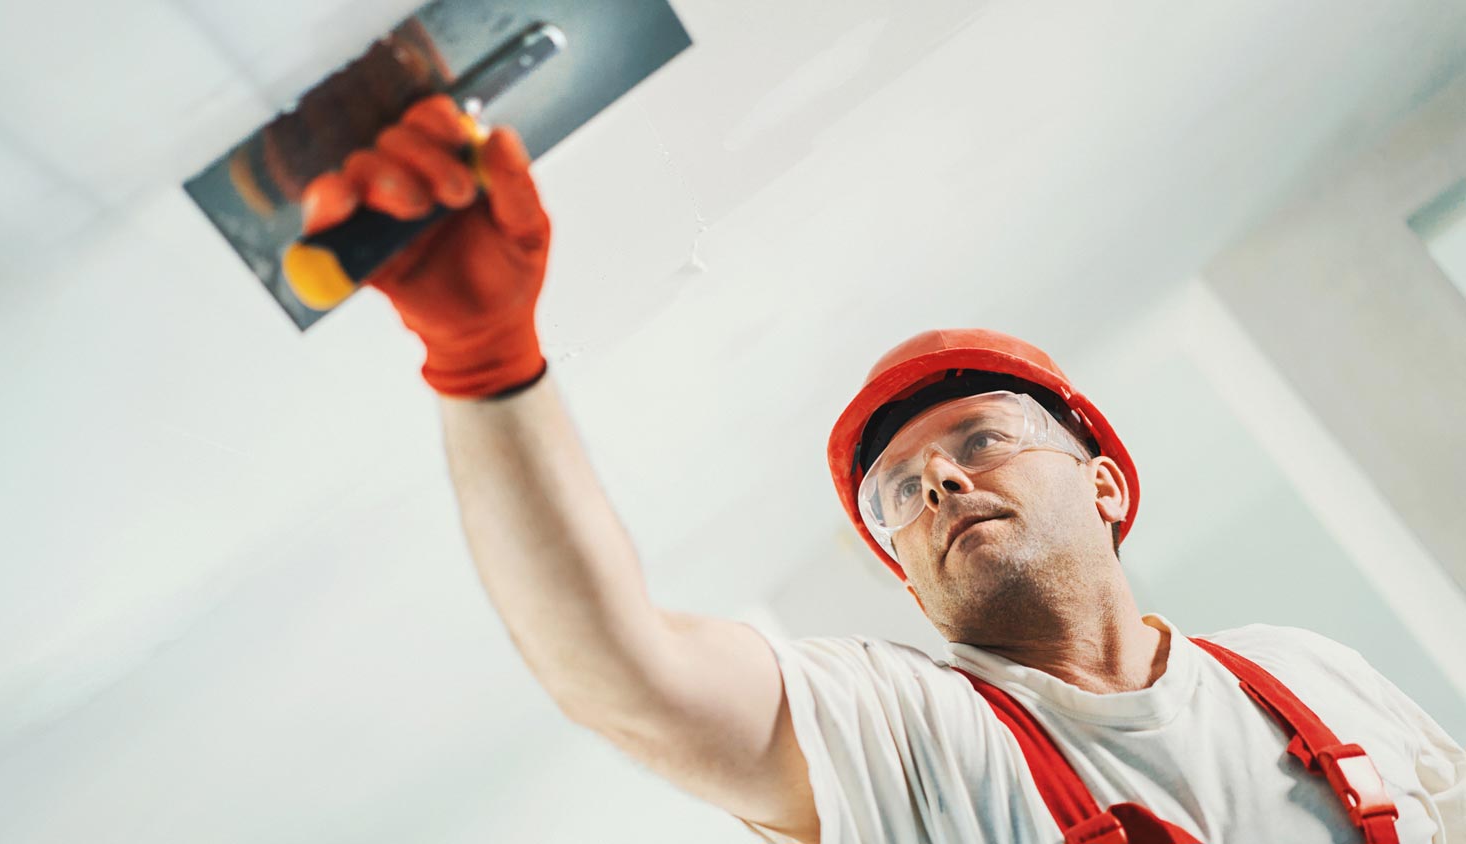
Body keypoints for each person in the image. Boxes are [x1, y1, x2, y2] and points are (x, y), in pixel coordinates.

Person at [298, 96, 1465, 843]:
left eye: (979, 440)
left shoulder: (1309, 676)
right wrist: (485, 361)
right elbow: (629, 675)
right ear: (908, 587)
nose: (939, 484)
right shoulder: (905, 735)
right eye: (900, 491)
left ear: (1105, 482)